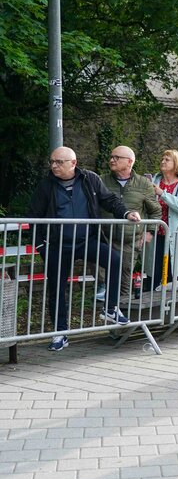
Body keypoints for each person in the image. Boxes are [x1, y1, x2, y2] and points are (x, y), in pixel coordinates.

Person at [27, 147, 139, 351]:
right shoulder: (46, 186)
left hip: (87, 240)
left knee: (114, 260)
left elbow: (110, 200)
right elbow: (34, 215)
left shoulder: (90, 179)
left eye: (59, 162)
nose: (54, 165)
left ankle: (111, 307)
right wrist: (42, 246)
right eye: (52, 161)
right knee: (57, 289)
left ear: (73, 163)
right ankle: (60, 332)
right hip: (58, 245)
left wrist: (127, 213)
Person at [97, 146, 162, 299]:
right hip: (104, 237)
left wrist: (149, 233)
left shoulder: (143, 184)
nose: (112, 160)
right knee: (102, 279)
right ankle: (103, 315)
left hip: (130, 239)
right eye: (111, 156)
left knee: (124, 279)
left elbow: (155, 211)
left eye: (117, 157)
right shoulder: (101, 180)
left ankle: (123, 313)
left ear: (129, 161)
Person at [144, 150, 178, 291]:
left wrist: (162, 194)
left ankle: (173, 311)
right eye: (162, 158)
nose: (163, 161)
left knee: (174, 275)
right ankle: (150, 309)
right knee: (153, 273)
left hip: (175, 235)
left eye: (167, 159)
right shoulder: (154, 181)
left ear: (177, 164)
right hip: (155, 234)